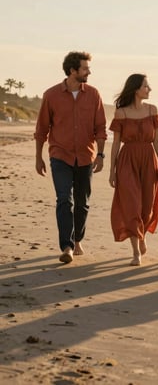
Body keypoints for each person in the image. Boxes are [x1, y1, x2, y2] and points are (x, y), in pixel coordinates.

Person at [34, 51, 107, 264]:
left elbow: (100, 128)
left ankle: (77, 240)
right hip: (60, 155)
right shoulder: (51, 95)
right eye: (85, 68)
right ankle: (66, 246)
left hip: (85, 155)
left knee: (83, 202)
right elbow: (41, 129)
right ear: (73, 70)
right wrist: (38, 158)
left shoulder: (93, 94)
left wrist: (101, 154)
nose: (89, 72)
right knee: (64, 199)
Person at [109, 74, 158, 266]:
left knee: (147, 206)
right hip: (127, 161)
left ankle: (142, 235)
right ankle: (135, 252)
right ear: (136, 89)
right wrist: (112, 170)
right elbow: (116, 143)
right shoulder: (121, 113)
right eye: (146, 86)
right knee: (131, 204)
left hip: (149, 160)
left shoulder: (153, 110)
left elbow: (157, 140)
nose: (149, 89)